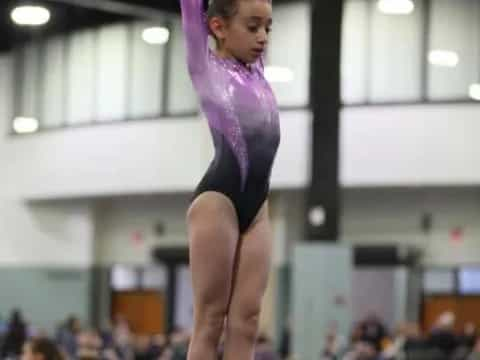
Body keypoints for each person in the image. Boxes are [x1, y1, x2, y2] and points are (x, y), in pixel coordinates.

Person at [179, 0, 280, 358]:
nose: (263, 37)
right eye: (253, 27)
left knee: (248, 319)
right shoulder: (205, 68)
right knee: (210, 319)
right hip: (217, 201)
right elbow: (192, 12)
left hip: (258, 209)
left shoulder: (257, 71)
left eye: (268, 27)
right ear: (218, 27)